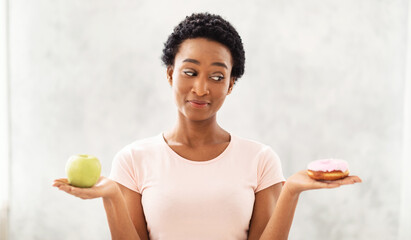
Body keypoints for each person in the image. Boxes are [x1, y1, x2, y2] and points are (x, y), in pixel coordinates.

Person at [53, 13, 362, 240]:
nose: (201, 89)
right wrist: (111, 196)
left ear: (230, 85)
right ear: (171, 74)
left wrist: (291, 191)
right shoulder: (133, 160)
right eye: (190, 72)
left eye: (217, 77)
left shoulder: (261, 159)